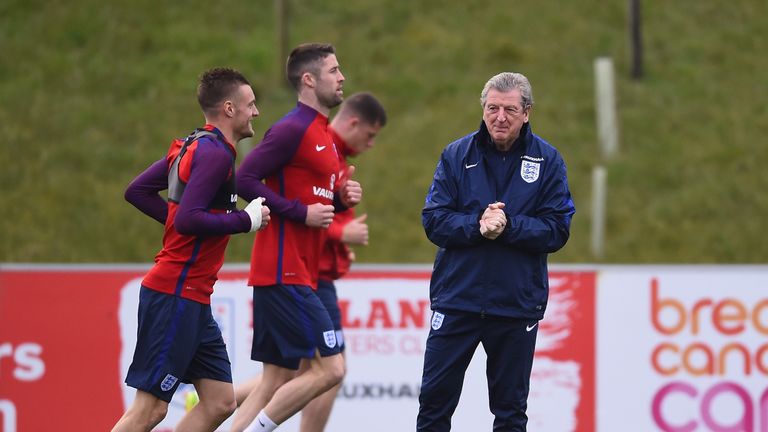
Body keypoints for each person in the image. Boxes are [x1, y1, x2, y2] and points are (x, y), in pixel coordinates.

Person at [113, 67, 270, 432]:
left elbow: (137, 192)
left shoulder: (194, 144)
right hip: (175, 294)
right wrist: (243, 220)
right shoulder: (215, 155)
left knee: (219, 401)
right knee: (149, 410)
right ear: (229, 109)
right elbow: (187, 219)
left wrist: (188, 222)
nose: (256, 112)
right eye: (251, 104)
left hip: (193, 298)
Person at [418, 72, 575, 431]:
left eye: (509, 109)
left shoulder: (548, 161)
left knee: (509, 412)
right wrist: (477, 224)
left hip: (515, 304)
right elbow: (434, 220)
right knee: (434, 405)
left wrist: (508, 226)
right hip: (457, 299)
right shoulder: (457, 155)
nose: (500, 117)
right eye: (492, 108)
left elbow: (557, 229)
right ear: (483, 108)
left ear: (527, 112)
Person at [231, 92, 388, 432]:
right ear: (354, 122)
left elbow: (319, 209)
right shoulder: (308, 138)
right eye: (371, 135)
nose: (371, 144)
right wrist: (339, 233)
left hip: (304, 273)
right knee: (329, 370)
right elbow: (301, 208)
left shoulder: (332, 153)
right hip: (301, 276)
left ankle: (218, 401)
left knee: (283, 375)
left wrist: (341, 204)